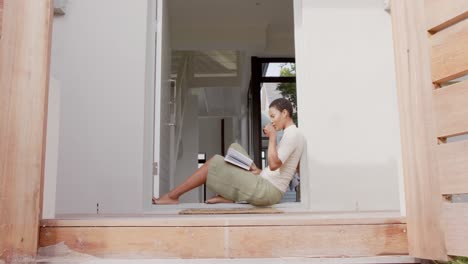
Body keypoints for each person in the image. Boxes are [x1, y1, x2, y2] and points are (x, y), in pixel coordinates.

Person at [152, 98, 305, 206]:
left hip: (268, 191)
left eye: (273, 116)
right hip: (266, 182)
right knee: (234, 148)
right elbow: (280, 168)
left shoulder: (292, 134)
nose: (271, 121)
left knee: (215, 162)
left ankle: (172, 196)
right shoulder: (291, 134)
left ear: (285, 113)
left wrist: (272, 137)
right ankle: (232, 195)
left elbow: (274, 165)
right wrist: (260, 171)